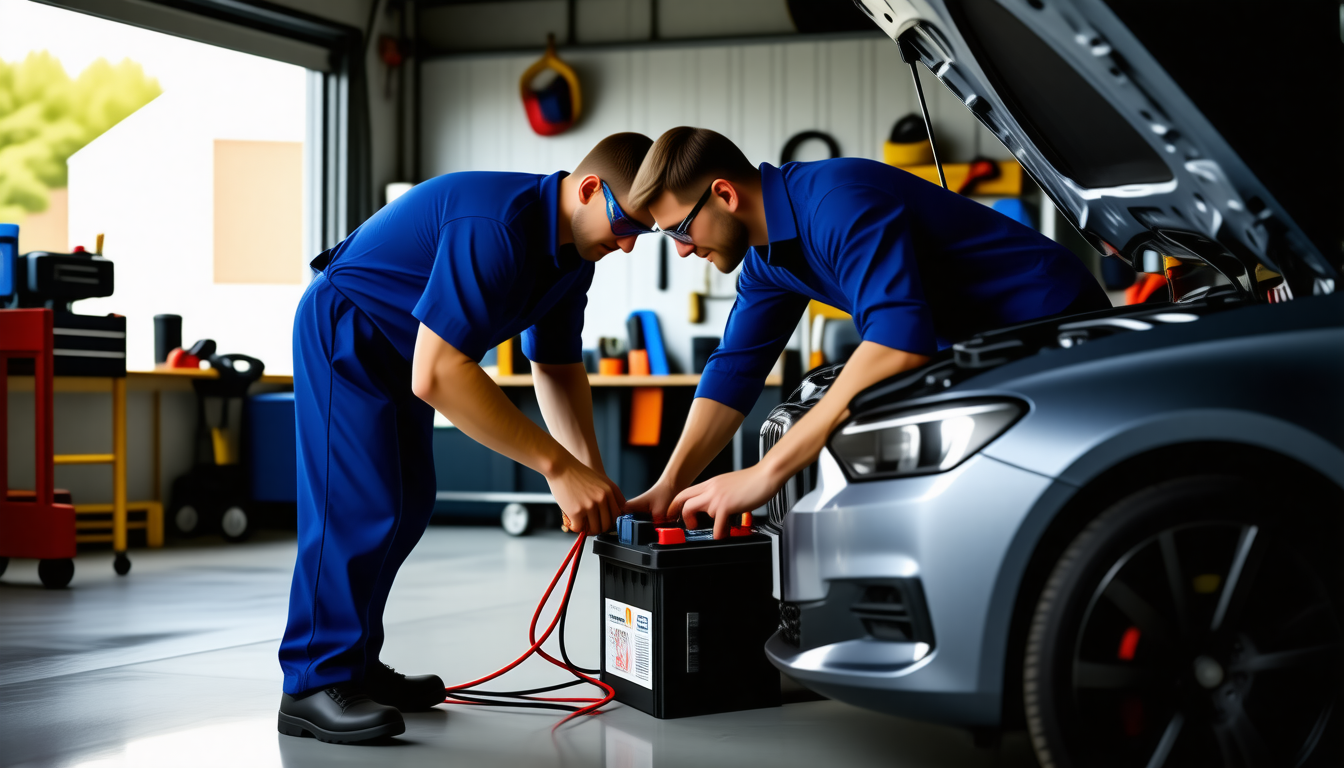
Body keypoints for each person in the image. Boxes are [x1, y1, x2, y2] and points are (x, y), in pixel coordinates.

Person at [277, 133, 656, 744]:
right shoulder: (497, 227)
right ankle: (311, 683)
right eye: (626, 223)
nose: (630, 243)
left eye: (645, 231)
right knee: (358, 507)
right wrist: (559, 470)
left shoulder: (572, 261)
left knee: (406, 504)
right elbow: (438, 375)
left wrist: (591, 478)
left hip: (402, 348)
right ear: (590, 190)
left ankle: (355, 666)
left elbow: (556, 367)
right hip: (349, 327)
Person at [624, 127, 1108, 537]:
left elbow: (897, 345)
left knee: (1062, 514)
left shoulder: (838, 202)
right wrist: (670, 484)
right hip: (977, 349)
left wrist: (765, 473)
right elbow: (735, 368)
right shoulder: (765, 262)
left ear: (725, 195)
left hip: (1050, 320)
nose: (682, 251)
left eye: (681, 231)